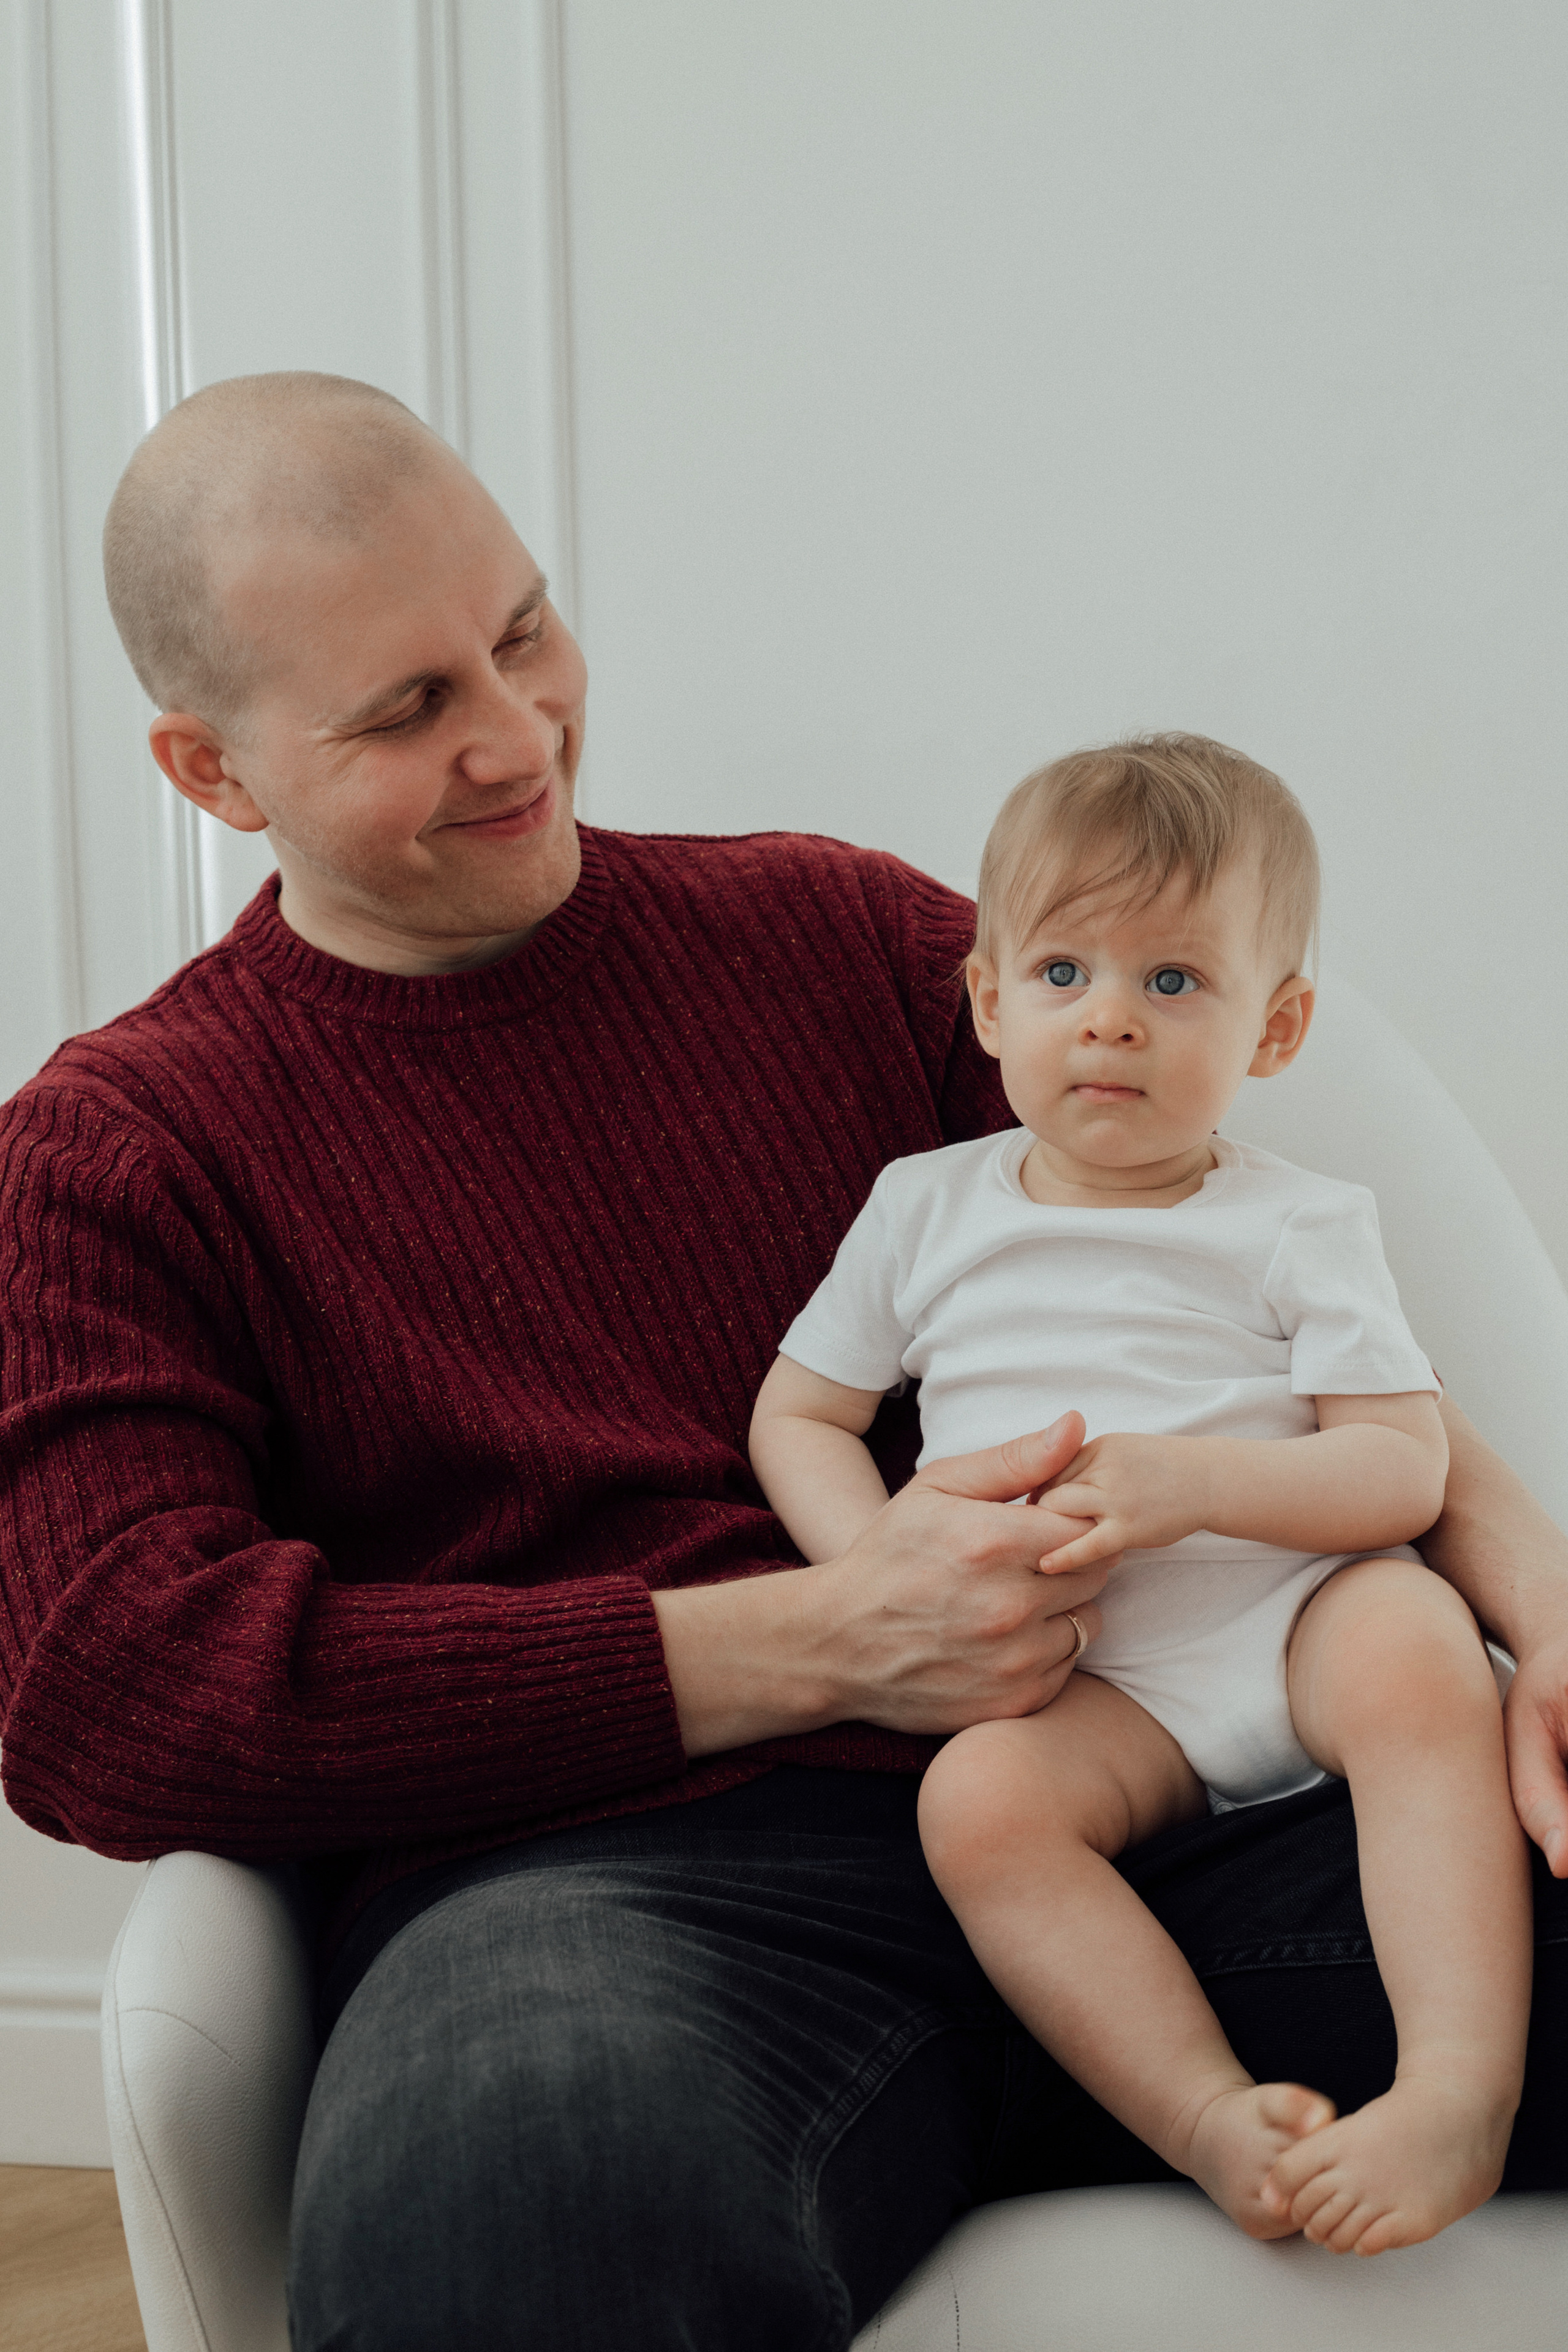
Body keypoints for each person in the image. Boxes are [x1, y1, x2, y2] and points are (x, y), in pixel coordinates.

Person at [0, 374, 1564, 2350]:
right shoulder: (118, 1150)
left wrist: (1546, 1612)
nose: (515, 735)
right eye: (404, 711)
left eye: (522, 631)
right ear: (211, 773)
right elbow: (107, 1693)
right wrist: (828, 1638)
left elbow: (1273, 1310)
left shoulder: (836, 936)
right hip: (620, 1913)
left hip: (1187, 1786)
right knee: (509, 2219)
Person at [750, 736, 1528, 2256]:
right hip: (1098, 1689)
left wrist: (1195, 1485)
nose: (1107, 1017)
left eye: (1173, 982)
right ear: (987, 1001)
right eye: (1060, 973)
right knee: (976, 1806)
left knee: (1416, 1649)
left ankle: (1455, 2089)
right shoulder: (926, 1206)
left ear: (1276, 1025)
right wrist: (874, 1571)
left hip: (1292, 1621)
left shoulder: (1300, 1223)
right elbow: (800, 1416)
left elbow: (1399, 1465)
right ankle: (1204, 2116)